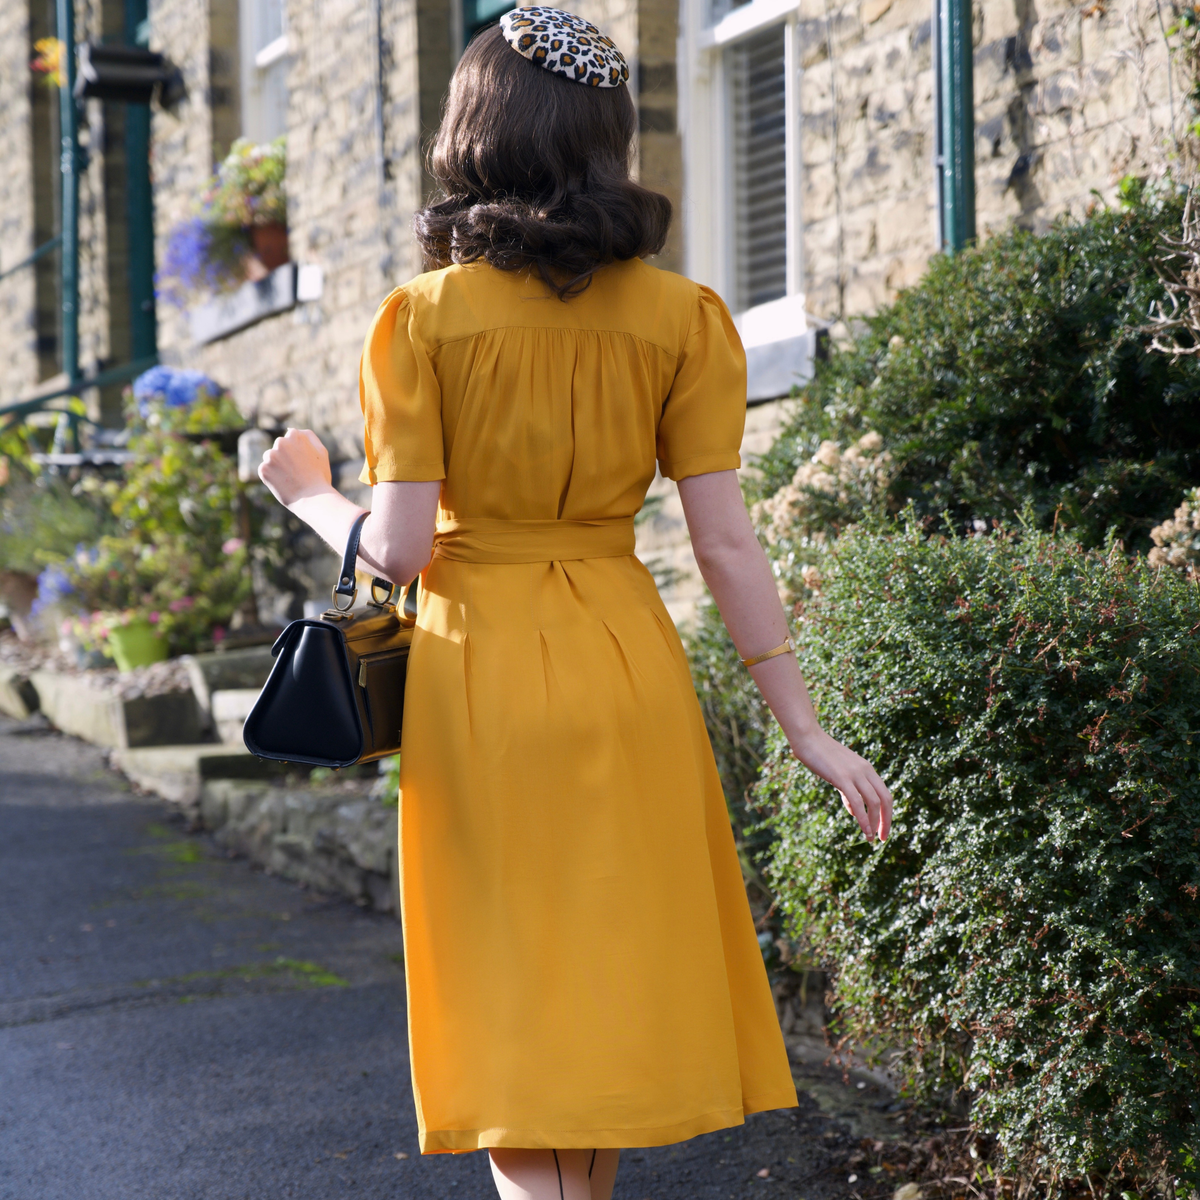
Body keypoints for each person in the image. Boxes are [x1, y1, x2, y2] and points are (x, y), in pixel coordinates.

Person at [257, 8, 893, 1198]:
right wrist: (804, 727)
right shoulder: (684, 318)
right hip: (625, 666)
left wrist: (308, 495)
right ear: (606, 139)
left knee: (517, 1029)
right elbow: (725, 542)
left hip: (481, 681)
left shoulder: (424, 319)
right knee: (585, 1023)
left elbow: (396, 552)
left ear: (474, 135)